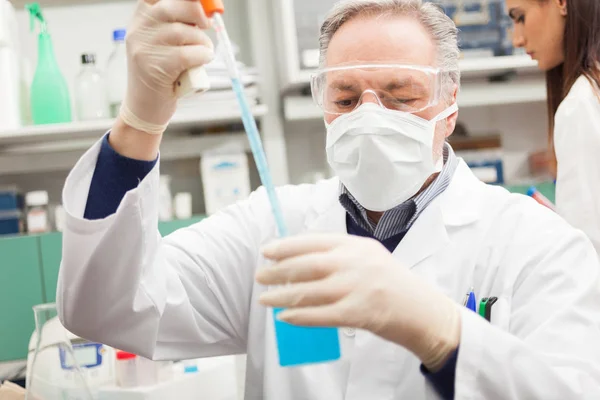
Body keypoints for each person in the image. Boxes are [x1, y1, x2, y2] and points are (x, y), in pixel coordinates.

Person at [57, 0, 600, 399]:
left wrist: (442, 333)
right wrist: (139, 121)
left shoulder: (537, 244)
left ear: (449, 104)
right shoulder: (269, 229)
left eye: (401, 96)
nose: (369, 117)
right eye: (345, 97)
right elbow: (106, 307)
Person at [507, 0, 600, 254]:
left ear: (561, 3)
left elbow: (588, 248)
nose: (517, 39)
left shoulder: (580, 104)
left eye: (520, 17)